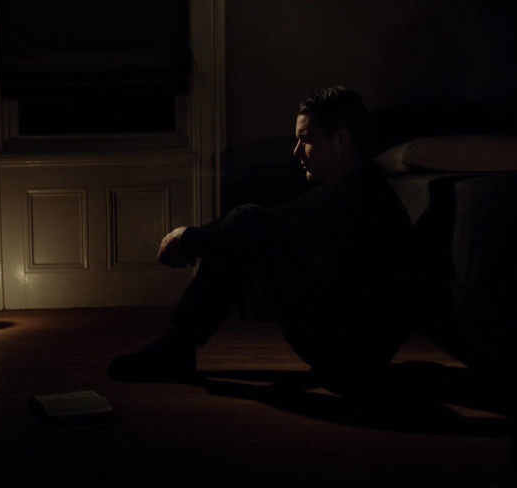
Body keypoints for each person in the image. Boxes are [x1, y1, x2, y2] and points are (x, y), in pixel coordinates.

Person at [108, 86, 412, 390]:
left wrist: (189, 239)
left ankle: (176, 348)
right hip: (349, 344)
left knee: (252, 237)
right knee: (248, 217)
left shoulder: (357, 199)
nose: (296, 151)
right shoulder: (347, 188)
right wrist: (190, 235)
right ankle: (177, 347)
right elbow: (268, 218)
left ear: (342, 139)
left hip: (350, 352)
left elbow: (266, 240)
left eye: (306, 140)